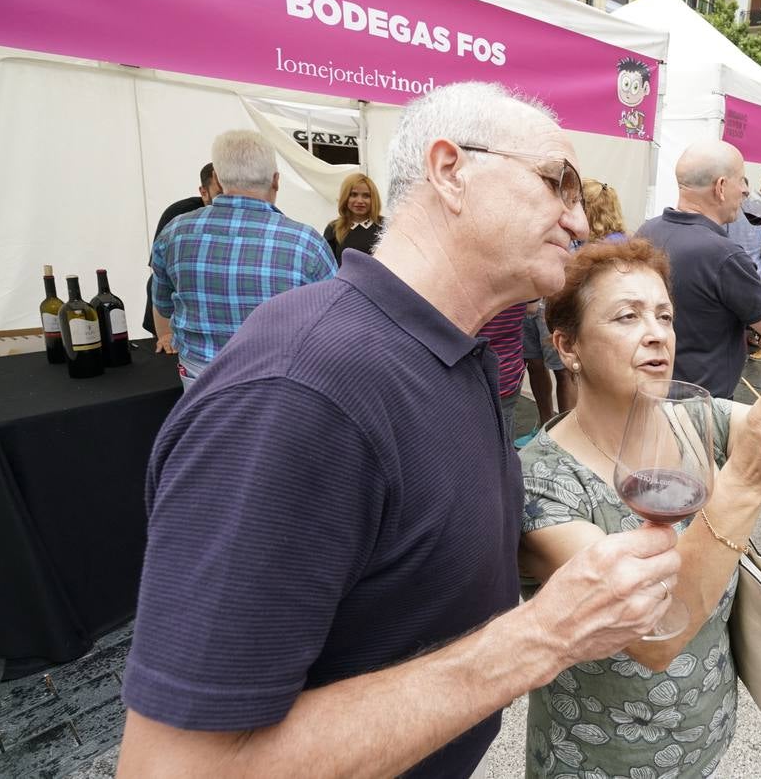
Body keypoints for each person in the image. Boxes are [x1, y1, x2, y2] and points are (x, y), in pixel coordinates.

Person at [118, 82, 682, 778]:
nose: (577, 218)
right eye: (558, 182)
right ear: (451, 171)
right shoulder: (299, 392)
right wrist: (540, 637)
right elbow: (175, 769)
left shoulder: (451, 352)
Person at [516, 235, 761, 776]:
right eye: (626, 317)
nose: (656, 333)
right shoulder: (542, 482)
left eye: (664, 315)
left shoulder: (694, 419)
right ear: (567, 347)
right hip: (603, 754)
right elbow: (656, 636)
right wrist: (747, 483)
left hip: (704, 727)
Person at [150, 130, 337, 388]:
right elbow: (335, 324)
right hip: (280, 384)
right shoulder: (307, 243)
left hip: (200, 384)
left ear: (216, 176)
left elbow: (162, 305)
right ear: (276, 180)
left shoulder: (174, 233)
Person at [636, 140, 761, 399]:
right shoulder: (724, 256)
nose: (745, 192)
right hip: (702, 410)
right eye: (742, 181)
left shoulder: (646, 232)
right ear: (721, 187)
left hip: (648, 395)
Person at [143, 162, 221, 338]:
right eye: (219, 194)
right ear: (203, 192)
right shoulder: (179, 216)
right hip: (171, 308)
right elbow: (159, 273)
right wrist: (165, 333)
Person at [517, 298, 577, 447]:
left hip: (550, 302)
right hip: (523, 301)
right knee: (534, 365)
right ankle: (544, 427)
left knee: (563, 371)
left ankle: (568, 436)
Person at [482, 301, 529, 442]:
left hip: (469, 374)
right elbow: (532, 308)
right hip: (507, 372)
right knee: (504, 432)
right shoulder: (523, 280)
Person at [323, 172, 385, 264]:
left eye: (366, 196)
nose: (360, 201)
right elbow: (327, 266)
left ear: (374, 199)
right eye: (353, 195)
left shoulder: (386, 226)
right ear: (345, 197)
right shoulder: (333, 228)